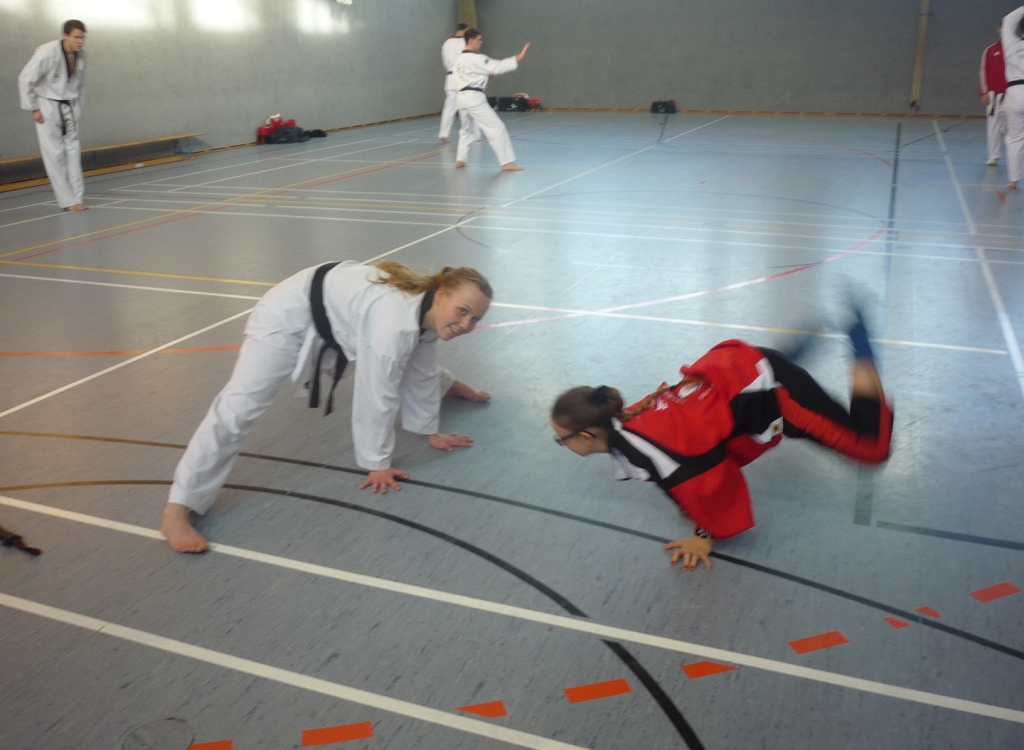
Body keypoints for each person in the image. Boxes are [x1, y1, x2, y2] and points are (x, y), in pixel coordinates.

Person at [160, 261, 493, 553]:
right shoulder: (393, 321)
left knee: (408, 356)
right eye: (462, 311)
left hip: (332, 314)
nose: (466, 325)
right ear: (440, 294)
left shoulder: (426, 314)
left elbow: (420, 362)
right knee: (239, 406)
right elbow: (376, 393)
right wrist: (377, 462)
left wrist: (430, 430)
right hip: (289, 315)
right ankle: (177, 508)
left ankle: (449, 387)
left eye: (475, 318)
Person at [550, 312, 893, 572]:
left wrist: (703, 536)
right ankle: (783, 359)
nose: (562, 445)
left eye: (560, 440)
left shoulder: (646, 448)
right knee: (732, 443)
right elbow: (678, 468)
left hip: (774, 392)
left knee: (870, 447)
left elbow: (712, 482)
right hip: (739, 371)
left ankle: (860, 344)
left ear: (586, 436)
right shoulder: (624, 419)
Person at [17, 20, 88, 212]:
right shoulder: (47, 52)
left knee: (73, 151)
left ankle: (78, 197)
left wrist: (77, 110)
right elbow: (25, 78)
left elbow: (80, 87)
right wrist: (34, 108)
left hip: (69, 106)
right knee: (54, 154)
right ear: (65, 35)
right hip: (47, 105)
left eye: (82, 37)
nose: (80, 41)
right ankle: (67, 201)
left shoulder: (82, 56)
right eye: (76, 37)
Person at [453, 28, 530, 172]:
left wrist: (483, 76)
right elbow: (497, 67)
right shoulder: (476, 58)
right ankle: (506, 162)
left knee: (466, 130)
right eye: (479, 39)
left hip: (461, 98)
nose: (481, 42)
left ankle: (460, 159)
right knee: (496, 128)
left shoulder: (459, 60)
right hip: (474, 99)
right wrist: (519, 57)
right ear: (471, 40)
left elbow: (468, 75)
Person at [980, 27, 1008, 166]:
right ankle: (993, 155)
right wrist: (984, 92)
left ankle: (1016, 156)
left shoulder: (1017, 49)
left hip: (1012, 93)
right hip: (994, 95)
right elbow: (983, 71)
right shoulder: (990, 50)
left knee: (1012, 126)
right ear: (999, 29)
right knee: (993, 127)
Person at [1002, 6, 1024, 189]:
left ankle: (1014, 180)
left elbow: (1008, 20)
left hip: (1015, 92)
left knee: (1015, 137)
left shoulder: (1011, 44)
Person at [439, 23, 471, 143]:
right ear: (464, 30)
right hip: (462, 77)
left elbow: (445, 62)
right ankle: (469, 134)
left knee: (449, 108)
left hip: (450, 78)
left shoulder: (446, 43)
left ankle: (443, 134)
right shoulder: (465, 42)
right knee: (466, 107)